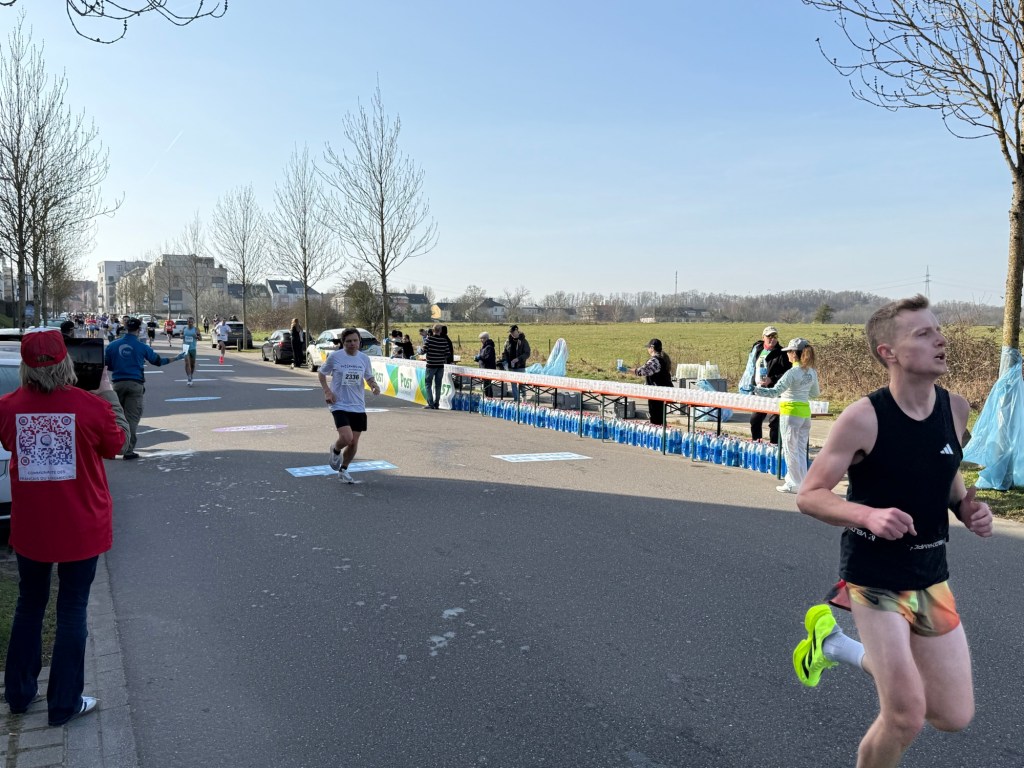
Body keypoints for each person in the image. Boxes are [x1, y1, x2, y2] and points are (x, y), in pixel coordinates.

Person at [792, 295, 993, 768]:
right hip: (874, 579)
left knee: (953, 714)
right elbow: (809, 494)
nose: (941, 339)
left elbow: (945, 473)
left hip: (931, 576)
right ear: (889, 352)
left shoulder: (955, 408)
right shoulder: (863, 418)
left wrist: (966, 509)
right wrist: (867, 516)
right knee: (904, 716)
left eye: (938, 329)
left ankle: (833, 645)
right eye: (923, 333)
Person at [1, 328, 128, 726]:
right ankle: (64, 703)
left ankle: (19, 695)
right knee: (72, 609)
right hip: (81, 525)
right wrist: (107, 394)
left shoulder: (7, 407)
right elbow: (119, 444)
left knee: (29, 604)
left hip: (32, 527)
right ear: (67, 361)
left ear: (24, 367)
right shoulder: (90, 406)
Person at [104, 316, 182, 459]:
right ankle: (128, 450)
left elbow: (107, 364)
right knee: (132, 418)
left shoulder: (112, 345)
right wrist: (176, 358)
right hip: (135, 384)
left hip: (117, 384)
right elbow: (158, 361)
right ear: (139, 330)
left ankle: (111, 448)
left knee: (115, 417)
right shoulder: (142, 347)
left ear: (125, 328)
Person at [753, 338, 819, 494]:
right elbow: (815, 393)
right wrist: (801, 391)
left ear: (794, 354)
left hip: (790, 413)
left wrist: (755, 389)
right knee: (801, 449)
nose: (787, 354)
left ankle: (793, 483)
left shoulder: (791, 373)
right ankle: (802, 482)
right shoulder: (811, 372)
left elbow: (775, 392)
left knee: (790, 450)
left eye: (789, 352)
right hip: (805, 413)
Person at [318, 327, 381, 483]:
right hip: (338, 403)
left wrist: (373, 385)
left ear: (359, 342)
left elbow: (368, 376)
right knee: (346, 438)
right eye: (348, 341)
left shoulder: (364, 359)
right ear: (343, 342)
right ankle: (335, 449)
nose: (352, 344)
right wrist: (327, 391)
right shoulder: (335, 357)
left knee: (353, 443)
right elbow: (321, 373)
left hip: (358, 405)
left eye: (355, 340)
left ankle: (343, 470)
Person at [747, 326, 791, 444]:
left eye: (775, 336)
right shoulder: (758, 349)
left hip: (775, 391)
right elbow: (752, 368)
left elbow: (787, 374)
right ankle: (757, 444)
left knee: (774, 422)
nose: (772, 339)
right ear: (763, 337)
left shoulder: (782, 353)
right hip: (759, 390)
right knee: (755, 420)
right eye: (769, 336)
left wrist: (771, 379)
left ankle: (774, 446)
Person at [630, 338, 673, 426]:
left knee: (656, 418)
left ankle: (658, 432)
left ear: (652, 348)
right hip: (663, 392)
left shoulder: (654, 360)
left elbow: (642, 371)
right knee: (660, 417)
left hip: (657, 393)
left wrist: (627, 370)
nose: (648, 349)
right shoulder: (662, 358)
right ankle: (661, 431)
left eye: (648, 347)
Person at [422, 322, 451, 409]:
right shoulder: (444, 341)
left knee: (428, 384)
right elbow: (448, 354)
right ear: (440, 331)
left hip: (431, 365)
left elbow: (423, 351)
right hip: (440, 365)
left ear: (433, 330)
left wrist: (421, 350)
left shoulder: (429, 339)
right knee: (438, 385)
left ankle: (430, 403)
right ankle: (437, 403)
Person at [502, 324, 531, 401]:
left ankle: (524, 397)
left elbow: (527, 353)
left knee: (521, 384)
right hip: (511, 367)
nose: (511, 334)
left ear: (516, 330)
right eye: (510, 332)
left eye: (512, 332)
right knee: (513, 384)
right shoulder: (507, 341)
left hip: (520, 366)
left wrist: (518, 359)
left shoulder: (523, 341)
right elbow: (504, 352)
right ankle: (516, 400)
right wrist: (505, 361)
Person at [475, 331, 497, 397]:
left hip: (488, 369)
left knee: (487, 385)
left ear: (486, 338)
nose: (481, 340)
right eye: (480, 339)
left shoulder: (489, 347)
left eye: (482, 338)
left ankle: (489, 398)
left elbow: (487, 358)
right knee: (485, 385)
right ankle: (487, 397)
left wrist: (480, 357)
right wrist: (477, 358)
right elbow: (482, 356)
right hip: (483, 368)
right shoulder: (483, 347)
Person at [181, 317, 202, 387]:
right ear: (187, 322)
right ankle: (189, 377)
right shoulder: (184, 329)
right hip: (185, 347)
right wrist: (182, 336)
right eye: (189, 322)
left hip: (193, 348)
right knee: (187, 362)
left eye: (191, 322)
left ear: (193, 322)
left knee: (192, 364)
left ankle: (191, 375)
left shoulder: (196, 329)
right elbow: (181, 335)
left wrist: (196, 336)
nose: (190, 323)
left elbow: (200, 338)